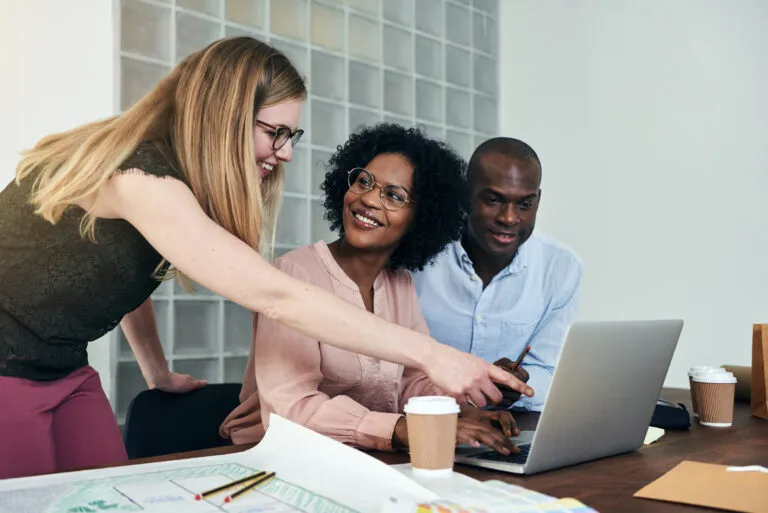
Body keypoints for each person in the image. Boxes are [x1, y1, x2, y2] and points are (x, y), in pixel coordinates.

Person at [0, 37, 529, 479]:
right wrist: (436, 355)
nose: (286, 153)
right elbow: (275, 296)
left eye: (291, 135)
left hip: (64, 366)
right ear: (223, 116)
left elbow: (120, 277)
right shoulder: (139, 179)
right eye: (275, 133)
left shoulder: (169, 187)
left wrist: (155, 371)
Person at [220, 124, 520, 455]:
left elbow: (410, 382)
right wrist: (403, 428)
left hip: (363, 458)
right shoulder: (295, 273)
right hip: (270, 457)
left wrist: (460, 413)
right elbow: (291, 411)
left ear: (421, 218)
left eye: (394, 195)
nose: (368, 200)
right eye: (364, 181)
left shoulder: (399, 283)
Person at [413, 137, 582, 412]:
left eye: (525, 204)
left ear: (538, 201)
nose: (509, 218)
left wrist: (520, 384)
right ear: (465, 195)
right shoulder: (417, 256)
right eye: (493, 200)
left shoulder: (561, 267)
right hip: (424, 423)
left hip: (508, 429)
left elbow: (548, 372)